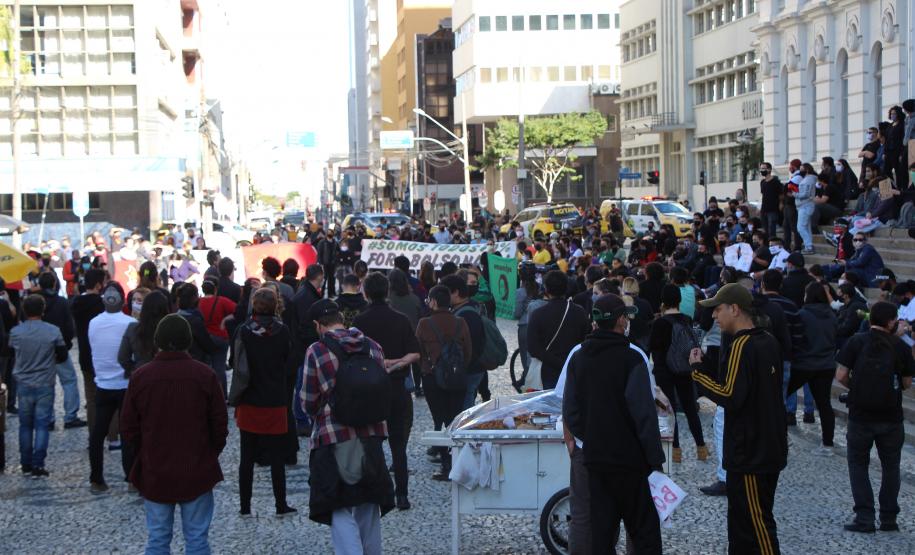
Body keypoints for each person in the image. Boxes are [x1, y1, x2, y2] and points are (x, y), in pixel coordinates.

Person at [563, 294, 665, 554]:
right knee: (643, 529)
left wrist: (592, 435)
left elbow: (570, 410)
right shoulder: (632, 359)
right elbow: (644, 415)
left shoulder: (579, 357)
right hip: (630, 460)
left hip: (595, 457)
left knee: (601, 529)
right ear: (621, 320)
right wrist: (654, 459)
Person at [690, 283, 787, 554]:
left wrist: (697, 372)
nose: (713, 316)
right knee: (745, 526)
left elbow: (730, 393)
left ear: (735, 309)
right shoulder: (768, 340)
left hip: (750, 452)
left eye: (718, 310)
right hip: (766, 445)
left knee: (756, 525)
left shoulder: (742, 344)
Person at [120, 313, 228, 553]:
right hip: (197, 467)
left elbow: (128, 426)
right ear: (188, 340)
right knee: (197, 539)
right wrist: (210, 452)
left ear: (158, 341)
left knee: (158, 538)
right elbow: (220, 423)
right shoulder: (205, 375)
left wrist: (145, 451)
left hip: (155, 468)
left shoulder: (141, 377)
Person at [302, 299, 395, 553]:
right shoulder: (373, 347)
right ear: (341, 318)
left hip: (334, 438)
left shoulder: (317, 350)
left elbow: (308, 400)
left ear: (317, 325)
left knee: (339, 506)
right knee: (368, 502)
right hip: (373, 434)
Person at [836, 301, 914, 533]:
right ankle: (889, 518)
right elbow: (908, 383)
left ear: (871, 320)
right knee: (891, 467)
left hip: (860, 415)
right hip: (891, 417)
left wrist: (857, 388)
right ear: (891, 322)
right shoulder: (900, 346)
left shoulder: (857, 341)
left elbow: (840, 375)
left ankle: (865, 517)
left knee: (858, 464)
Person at [354, 272, 421, 511]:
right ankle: (402, 495)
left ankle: (375, 492)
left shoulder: (360, 322)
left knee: (370, 443)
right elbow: (415, 353)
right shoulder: (401, 320)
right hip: (397, 389)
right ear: (388, 291)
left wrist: (379, 364)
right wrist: (397, 363)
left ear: (366, 293)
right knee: (398, 446)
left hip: (369, 391)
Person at [234, 288, 297, 516]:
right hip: (275, 398)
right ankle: (281, 504)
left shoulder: (244, 331)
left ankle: (245, 506)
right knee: (277, 457)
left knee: (247, 457)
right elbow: (289, 361)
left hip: (249, 399)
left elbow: (235, 361)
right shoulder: (282, 332)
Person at [416, 285, 472, 479]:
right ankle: (455, 461)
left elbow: (419, 353)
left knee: (439, 419)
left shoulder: (424, 324)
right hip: (457, 377)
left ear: (433, 301)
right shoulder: (460, 322)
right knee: (454, 419)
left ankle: (446, 464)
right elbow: (468, 353)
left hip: (432, 378)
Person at [8, 295, 68, 477]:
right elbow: (63, 355)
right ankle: (38, 464)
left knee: (25, 425)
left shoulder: (16, 332)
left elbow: (10, 353)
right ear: (43, 310)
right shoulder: (53, 331)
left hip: (23, 383)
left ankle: (25, 462)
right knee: (42, 424)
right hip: (45, 382)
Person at [650, 285, 707, 464]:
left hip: (664, 371)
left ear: (663, 300)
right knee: (690, 408)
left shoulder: (660, 322)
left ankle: (675, 450)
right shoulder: (687, 319)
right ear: (679, 300)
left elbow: (655, 350)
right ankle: (701, 447)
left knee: (669, 410)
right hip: (684, 369)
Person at [88, 282, 135, 492]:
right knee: (128, 433)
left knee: (98, 434)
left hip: (103, 383)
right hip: (125, 383)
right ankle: (132, 477)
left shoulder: (93, 323)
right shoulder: (131, 323)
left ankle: (96, 478)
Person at [786, 282, 838, 455]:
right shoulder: (831, 315)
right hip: (826, 365)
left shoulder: (802, 314)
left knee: (781, 395)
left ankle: (780, 436)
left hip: (803, 363)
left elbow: (796, 339)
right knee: (824, 404)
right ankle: (828, 444)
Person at [32, 272, 85, 430]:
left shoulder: (33, 301)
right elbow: (69, 326)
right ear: (54, 283)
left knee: (45, 384)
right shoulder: (61, 302)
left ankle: (47, 418)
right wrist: (67, 343)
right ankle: (70, 416)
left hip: (40, 349)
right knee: (69, 381)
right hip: (59, 348)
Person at [527, 271, 591, 390]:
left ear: (545, 288)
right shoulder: (579, 312)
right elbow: (585, 341)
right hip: (572, 370)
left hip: (547, 370)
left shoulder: (538, 314)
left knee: (547, 407)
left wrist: (557, 362)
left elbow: (533, 348)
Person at [71, 268, 107, 431]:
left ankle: (94, 435)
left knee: (91, 399)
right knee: (109, 396)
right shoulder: (102, 303)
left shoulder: (76, 303)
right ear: (99, 285)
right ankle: (112, 436)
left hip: (85, 354)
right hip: (104, 354)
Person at [118, 290, 170, 379]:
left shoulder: (133, 328)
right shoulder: (170, 327)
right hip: (166, 376)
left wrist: (134, 369)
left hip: (141, 375)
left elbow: (122, 358)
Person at [175, 283, 218, 368]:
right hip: (196, 362)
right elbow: (206, 343)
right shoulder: (194, 320)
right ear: (194, 298)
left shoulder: (175, 317)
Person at [795, 162, 818, 254]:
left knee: (800, 227)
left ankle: (809, 246)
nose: (800, 171)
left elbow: (805, 194)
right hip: (805, 206)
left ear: (807, 170)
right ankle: (808, 245)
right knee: (806, 227)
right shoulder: (808, 179)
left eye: (801, 169)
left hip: (805, 206)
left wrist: (793, 194)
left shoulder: (808, 180)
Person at [759, 162, 782, 238]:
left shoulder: (776, 182)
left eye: (763, 168)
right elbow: (763, 195)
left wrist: (780, 204)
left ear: (769, 169)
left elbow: (781, 194)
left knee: (772, 229)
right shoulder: (762, 182)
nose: (762, 170)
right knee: (765, 230)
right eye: (761, 168)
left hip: (772, 209)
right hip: (764, 209)